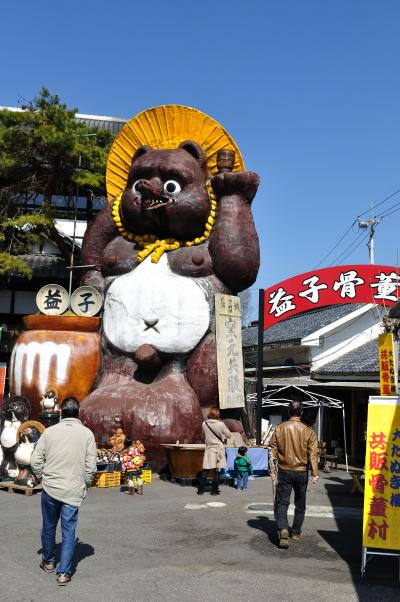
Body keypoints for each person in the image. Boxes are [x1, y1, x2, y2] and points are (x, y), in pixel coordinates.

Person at [31, 397, 97, 585]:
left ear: (61, 412)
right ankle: (64, 573)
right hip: (73, 490)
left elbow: (35, 461)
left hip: (50, 488)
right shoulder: (87, 434)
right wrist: (85, 484)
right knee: (69, 532)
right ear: (78, 413)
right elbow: (91, 467)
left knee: (49, 526)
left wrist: (42, 478)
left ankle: (49, 561)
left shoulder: (49, 432)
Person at [269, 400, 318, 549]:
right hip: (301, 472)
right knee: (300, 503)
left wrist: (272, 470)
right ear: (301, 413)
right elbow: (313, 454)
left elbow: (272, 450)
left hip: (284, 470)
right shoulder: (309, 431)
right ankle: (296, 532)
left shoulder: (279, 428)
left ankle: (283, 528)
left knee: (282, 502)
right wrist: (314, 473)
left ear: (289, 412)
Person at [197, 406, 232, 495]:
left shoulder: (204, 424)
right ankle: (214, 491)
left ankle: (200, 490)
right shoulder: (220, 424)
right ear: (217, 414)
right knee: (217, 471)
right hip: (218, 450)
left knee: (206, 469)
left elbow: (203, 436)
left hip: (209, 449)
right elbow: (228, 435)